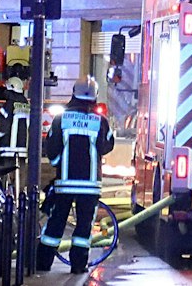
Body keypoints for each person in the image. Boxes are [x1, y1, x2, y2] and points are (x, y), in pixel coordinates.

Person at [35, 77, 113, 273]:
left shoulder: (61, 118)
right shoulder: (100, 121)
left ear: (73, 93)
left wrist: (58, 165)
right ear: (94, 96)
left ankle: (43, 264)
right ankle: (78, 266)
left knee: (56, 223)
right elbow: (107, 145)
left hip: (65, 184)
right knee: (83, 228)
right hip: (90, 185)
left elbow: (51, 147)